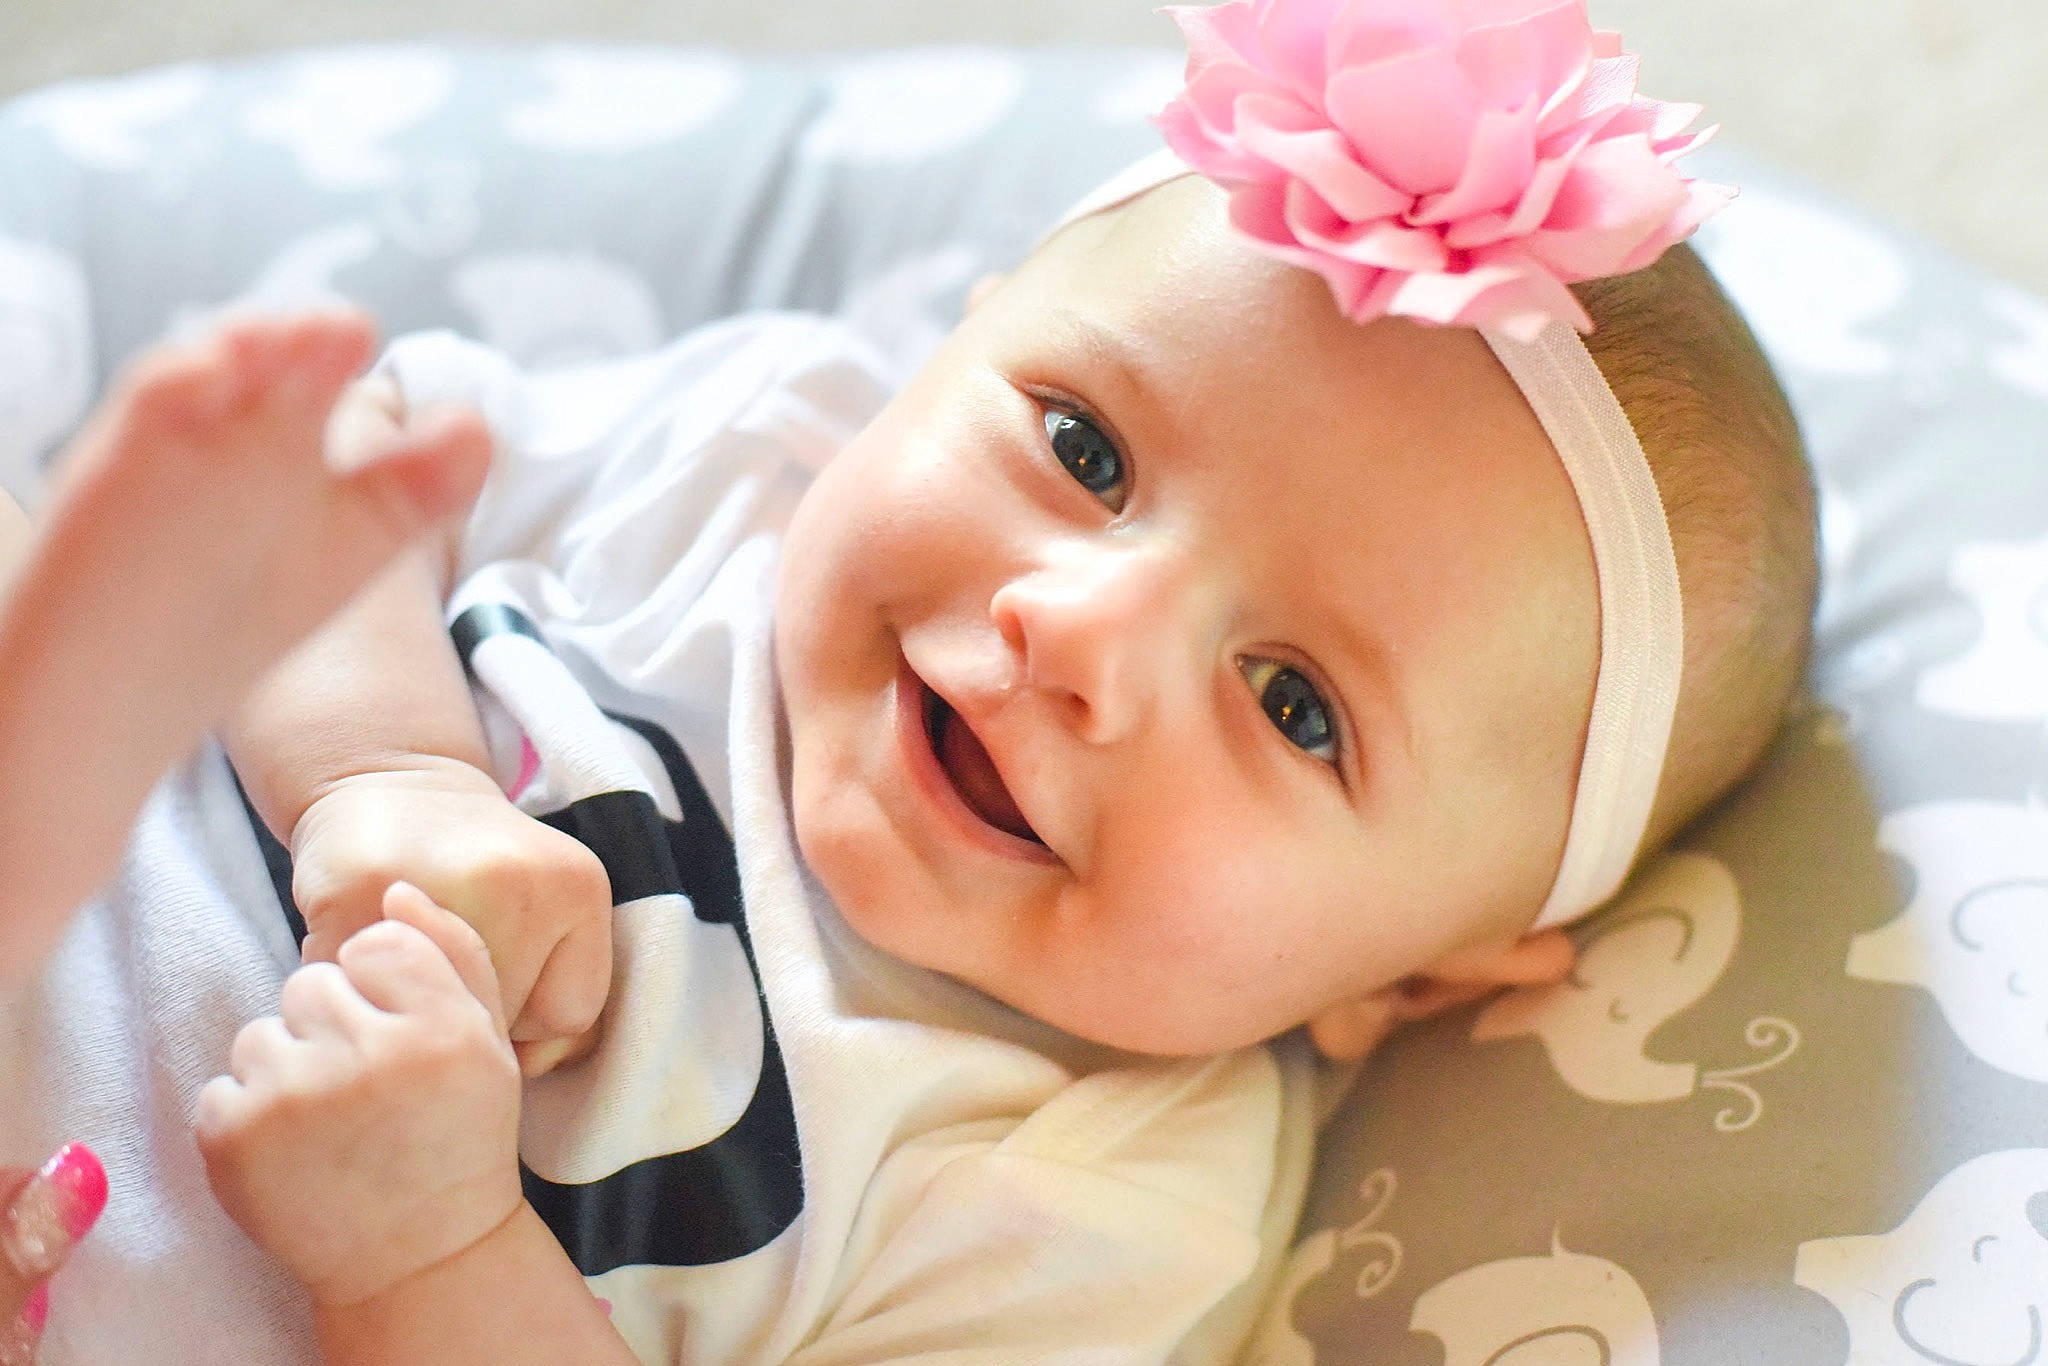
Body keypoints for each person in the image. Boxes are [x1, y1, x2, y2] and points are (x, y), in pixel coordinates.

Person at [3, 2, 1819, 1361]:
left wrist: (421, 1249)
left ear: (1411, 976)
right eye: (1089, 451)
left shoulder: (1096, 1210)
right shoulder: (736, 457)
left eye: (1296, 706)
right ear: (947, 342)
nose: (1078, 633)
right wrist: (383, 780)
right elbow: (314, 487)